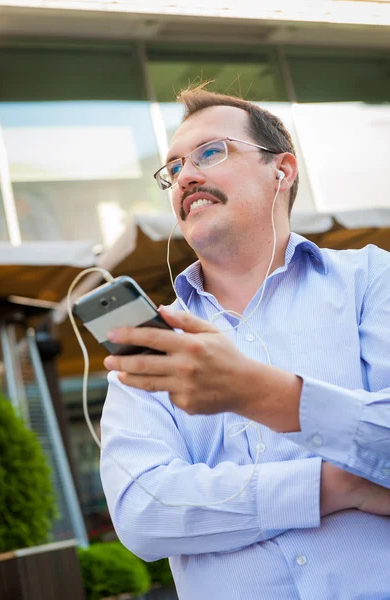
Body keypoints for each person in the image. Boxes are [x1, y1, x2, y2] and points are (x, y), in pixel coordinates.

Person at [100, 87, 390, 600]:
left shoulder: (373, 279)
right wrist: (339, 486)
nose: (184, 176)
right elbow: (143, 511)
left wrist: (254, 392)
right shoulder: (154, 343)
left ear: (281, 170)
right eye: (172, 169)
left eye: (210, 152)